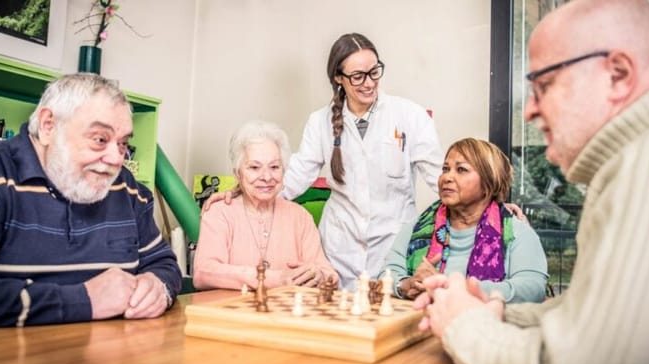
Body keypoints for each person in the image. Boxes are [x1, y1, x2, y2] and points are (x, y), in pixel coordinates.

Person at [414, 1, 649, 364]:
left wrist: (462, 326)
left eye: (544, 85)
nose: (529, 111)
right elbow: (596, 316)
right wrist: (496, 312)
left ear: (618, 74)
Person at [205, 33, 445, 291]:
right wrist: (241, 193)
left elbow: (441, 179)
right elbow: (292, 178)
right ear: (338, 78)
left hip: (391, 248)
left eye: (374, 71)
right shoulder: (320, 122)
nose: (369, 83)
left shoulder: (411, 116)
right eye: (357, 76)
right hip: (339, 251)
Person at [0, 73, 182, 327]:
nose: (117, 158)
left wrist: (158, 286)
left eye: (123, 144)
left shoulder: (126, 187)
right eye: (100, 140)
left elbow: (163, 263)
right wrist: (84, 300)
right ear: (49, 126)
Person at [381, 138, 547, 303]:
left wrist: (454, 288)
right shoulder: (417, 227)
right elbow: (387, 273)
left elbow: (532, 289)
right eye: (445, 169)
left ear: (489, 182)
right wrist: (406, 285)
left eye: (461, 169)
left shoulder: (518, 233)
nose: (447, 177)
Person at [193, 120, 339, 291]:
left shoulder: (300, 217)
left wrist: (319, 275)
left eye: (274, 167)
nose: (266, 177)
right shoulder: (220, 212)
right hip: (232, 314)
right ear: (237, 173)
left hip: (286, 315)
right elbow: (203, 273)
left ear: (284, 170)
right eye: (254, 167)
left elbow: (328, 274)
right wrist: (277, 278)